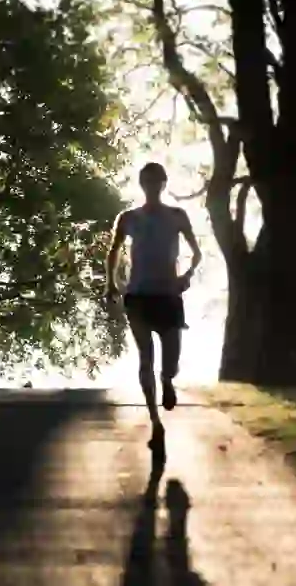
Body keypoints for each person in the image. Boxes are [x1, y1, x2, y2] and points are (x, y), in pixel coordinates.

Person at [105, 162, 202, 452]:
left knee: (171, 358)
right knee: (145, 358)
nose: (151, 186)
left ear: (163, 183)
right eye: (146, 181)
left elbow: (197, 253)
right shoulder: (128, 218)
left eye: (156, 181)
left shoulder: (177, 216)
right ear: (141, 184)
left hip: (169, 295)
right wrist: (111, 283)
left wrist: (187, 276)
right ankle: (155, 421)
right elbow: (114, 251)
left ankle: (168, 380)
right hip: (138, 296)